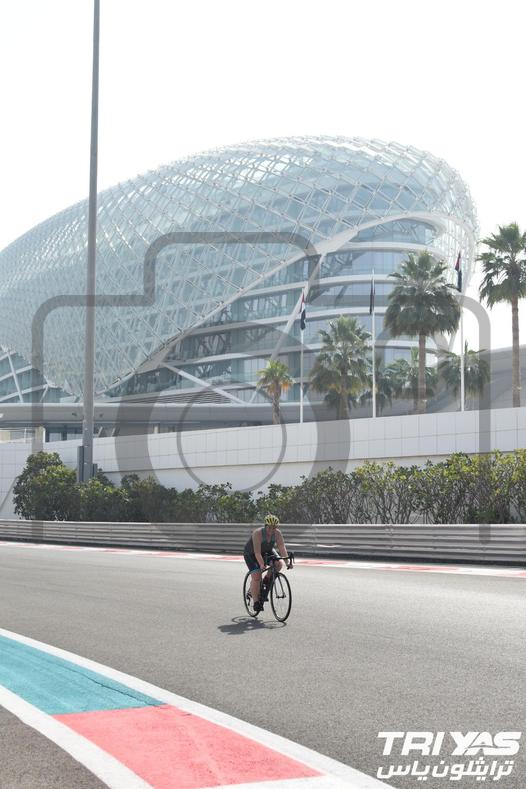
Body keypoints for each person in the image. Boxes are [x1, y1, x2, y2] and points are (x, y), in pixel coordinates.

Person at [243, 514, 290, 612]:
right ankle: (256, 602)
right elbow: (257, 553)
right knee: (257, 575)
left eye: (274, 528)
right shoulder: (258, 533)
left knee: (278, 564)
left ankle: (266, 580)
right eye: (269, 527)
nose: (271, 530)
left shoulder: (277, 533)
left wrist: (287, 562)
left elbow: (282, 547)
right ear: (265, 526)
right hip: (251, 553)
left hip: (266, 551)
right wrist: (261, 564)